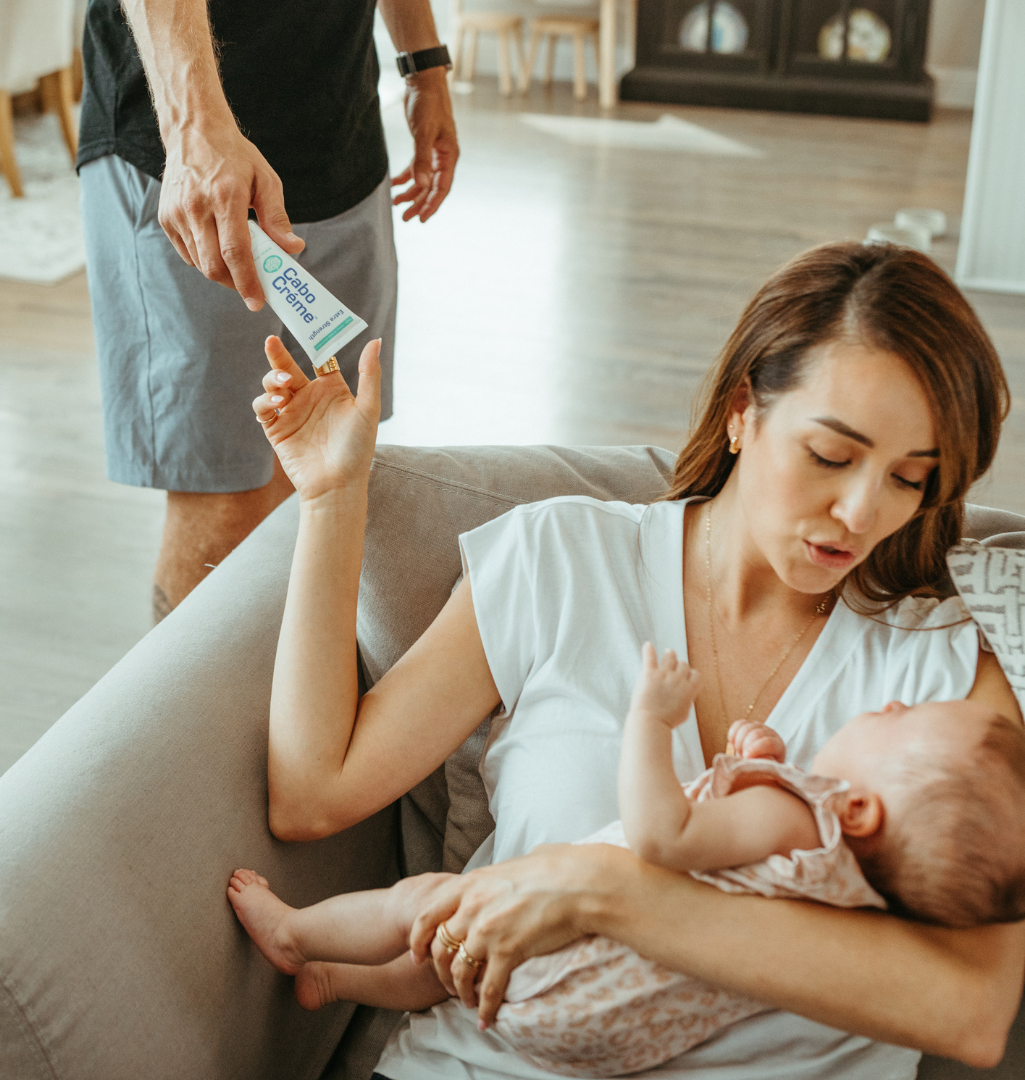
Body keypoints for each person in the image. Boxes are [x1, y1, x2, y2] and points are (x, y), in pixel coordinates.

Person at [249, 241, 1025, 1080]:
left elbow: (972, 1012)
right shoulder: (562, 559)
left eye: (911, 479)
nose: (861, 511)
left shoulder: (939, 680)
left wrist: (610, 895)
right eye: (830, 456)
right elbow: (312, 795)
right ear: (742, 410)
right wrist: (332, 500)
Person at [226, 649, 1025, 1076]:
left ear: (856, 809)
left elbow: (662, 837)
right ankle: (342, 983)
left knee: (432, 906)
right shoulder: (865, 896)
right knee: (445, 966)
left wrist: (651, 719)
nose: (890, 703)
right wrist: (762, 756)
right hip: (608, 1040)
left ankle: (298, 935)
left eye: (905, 716)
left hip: (557, 968)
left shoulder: (795, 816)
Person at [77, 0, 458, 620]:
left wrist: (425, 69)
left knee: (321, 468)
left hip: (340, 133)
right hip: (183, 152)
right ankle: (193, 719)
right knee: (224, 503)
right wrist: (193, 127)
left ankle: (290, 715)